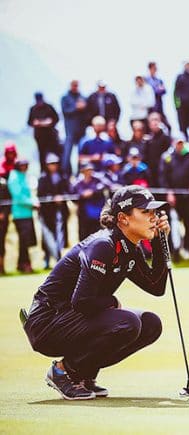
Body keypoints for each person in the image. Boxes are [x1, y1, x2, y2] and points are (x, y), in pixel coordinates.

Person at [22, 185, 170, 401]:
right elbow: (81, 302)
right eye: (146, 212)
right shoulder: (103, 245)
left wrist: (158, 240)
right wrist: (113, 300)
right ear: (123, 218)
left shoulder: (129, 248)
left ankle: (84, 374)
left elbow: (156, 286)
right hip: (46, 322)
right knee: (128, 322)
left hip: (70, 318)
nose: (153, 217)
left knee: (150, 324)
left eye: (155, 212)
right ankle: (63, 372)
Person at [159, 136, 189, 260]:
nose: (180, 146)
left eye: (182, 143)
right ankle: (174, 250)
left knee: (188, 224)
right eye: (178, 143)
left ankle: (188, 249)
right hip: (173, 198)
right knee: (173, 224)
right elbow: (162, 177)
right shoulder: (167, 157)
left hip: (188, 196)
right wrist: (169, 192)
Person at [38, 153, 71, 269]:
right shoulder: (42, 178)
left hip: (61, 212)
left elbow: (69, 191)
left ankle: (59, 258)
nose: (54, 166)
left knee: (60, 236)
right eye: (51, 164)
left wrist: (62, 197)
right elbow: (40, 194)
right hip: (47, 214)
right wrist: (53, 198)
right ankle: (47, 260)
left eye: (55, 163)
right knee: (47, 237)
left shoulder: (62, 177)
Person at [8, 158, 38, 273]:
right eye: (22, 165)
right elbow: (18, 196)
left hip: (27, 213)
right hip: (20, 214)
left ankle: (22, 263)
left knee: (27, 241)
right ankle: (24, 263)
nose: (24, 167)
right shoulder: (14, 177)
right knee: (24, 241)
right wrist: (32, 203)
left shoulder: (23, 176)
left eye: (26, 165)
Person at [27, 92, 60, 173]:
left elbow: (56, 118)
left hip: (51, 136)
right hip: (40, 137)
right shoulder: (33, 109)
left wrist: (49, 122)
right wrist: (35, 123)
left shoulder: (49, 107)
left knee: (54, 154)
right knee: (42, 155)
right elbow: (29, 122)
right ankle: (43, 172)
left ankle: (56, 172)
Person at [61, 80, 87, 176]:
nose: (75, 87)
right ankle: (66, 174)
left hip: (81, 129)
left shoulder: (83, 97)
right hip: (70, 130)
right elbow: (65, 111)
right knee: (67, 153)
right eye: (73, 85)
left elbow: (87, 112)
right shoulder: (65, 98)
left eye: (76, 85)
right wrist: (76, 107)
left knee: (81, 152)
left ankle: (81, 173)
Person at [73, 164, 107, 241]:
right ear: (82, 171)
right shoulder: (77, 183)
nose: (89, 172)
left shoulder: (98, 180)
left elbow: (106, 186)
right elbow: (73, 196)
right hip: (83, 214)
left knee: (96, 235)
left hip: (96, 213)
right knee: (84, 235)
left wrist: (93, 192)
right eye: (87, 170)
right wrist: (82, 195)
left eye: (90, 170)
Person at [142, 112, 170, 188]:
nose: (154, 122)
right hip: (151, 175)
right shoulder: (147, 141)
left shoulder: (166, 138)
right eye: (152, 120)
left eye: (156, 120)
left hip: (165, 174)